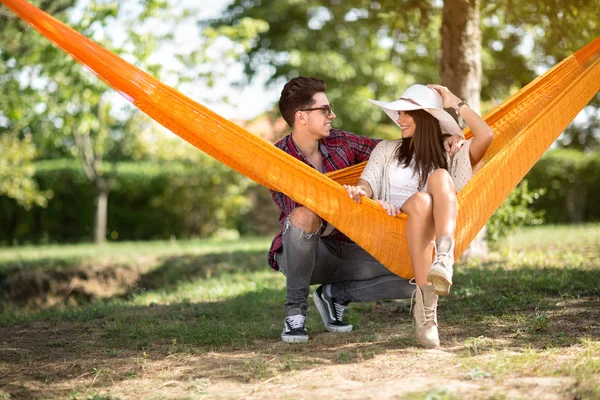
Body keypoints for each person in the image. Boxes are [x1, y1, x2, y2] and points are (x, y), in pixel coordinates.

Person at [270, 77, 464, 344]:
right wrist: (352, 209)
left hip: (352, 250)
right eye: (325, 110)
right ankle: (295, 314)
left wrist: (441, 136)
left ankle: (336, 294)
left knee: (420, 278)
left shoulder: (341, 142)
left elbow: (393, 150)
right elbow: (302, 218)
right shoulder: (278, 159)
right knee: (304, 216)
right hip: (312, 257)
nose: (332, 115)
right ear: (302, 117)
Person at [344, 84, 494, 348]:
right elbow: (367, 183)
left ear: (427, 116)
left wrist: (455, 102)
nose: (399, 119)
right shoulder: (386, 149)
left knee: (437, 180)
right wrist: (366, 194)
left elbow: (486, 135)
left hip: (429, 229)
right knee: (423, 199)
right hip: (393, 221)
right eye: (399, 113)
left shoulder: (450, 153)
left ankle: (440, 270)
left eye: (407, 113)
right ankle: (429, 307)